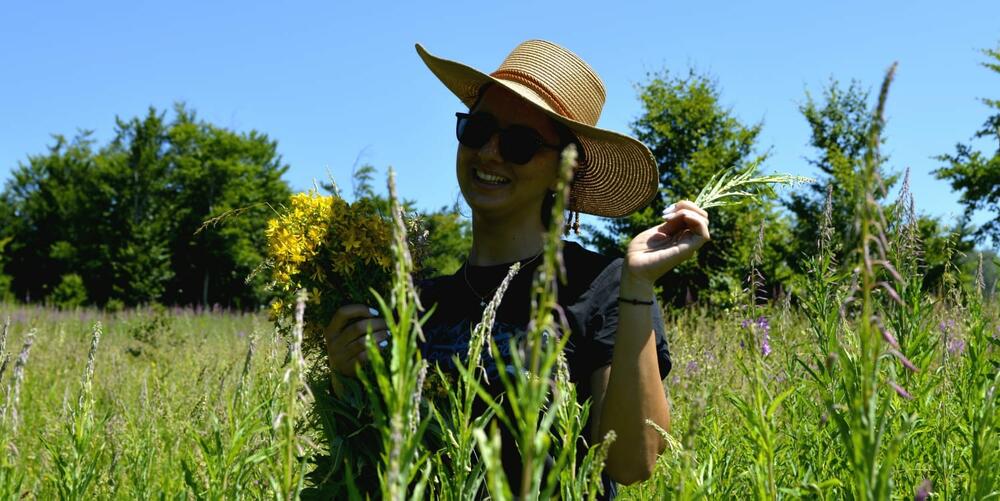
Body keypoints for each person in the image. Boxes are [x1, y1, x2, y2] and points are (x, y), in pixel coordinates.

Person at [324, 40, 711, 496]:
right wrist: (343, 377)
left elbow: (630, 462)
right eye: (477, 129)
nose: (489, 152)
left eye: (520, 143)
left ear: (564, 173)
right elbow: (370, 465)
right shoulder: (418, 302)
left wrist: (640, 284)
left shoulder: (604, 286)